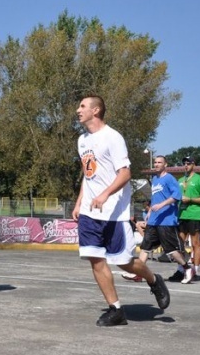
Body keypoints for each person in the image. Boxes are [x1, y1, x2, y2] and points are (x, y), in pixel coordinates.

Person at [71, 95, 170, 326]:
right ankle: (115, 309)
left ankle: (154, 279)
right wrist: (79, 202)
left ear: (96, 110)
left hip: (113, 213)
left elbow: (125, 173)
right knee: (95, 259)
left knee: (124, 262)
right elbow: (88, 176)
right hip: (89, 211)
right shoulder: (82, 140)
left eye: (82, 106)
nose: (78, 110)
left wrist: (105, 194)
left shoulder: (113, 137)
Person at [136, 155, 193, 283]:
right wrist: (150, 210)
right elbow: (155, 198)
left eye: (159, 162)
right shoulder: (154, 179)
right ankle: (138, 273)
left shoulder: (170, 179)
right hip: (154, 220)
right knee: (145, 246)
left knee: (171, 250)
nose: (156, 164)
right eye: (155, 162)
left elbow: (177, 196)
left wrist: (161, 205)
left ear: (165, 164)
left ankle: (187, 268)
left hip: (166, 220)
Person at [175, 156, 200, 280]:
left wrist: (190, 199)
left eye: (188, 163)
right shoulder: (180, 180)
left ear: (193, 164)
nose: (186, 165)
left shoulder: (199, 179)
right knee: (179, 244)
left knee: (195, 243)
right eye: (184, 163)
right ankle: (181, 269)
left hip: (195, 215)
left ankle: (195, 269)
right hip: (182, 214)